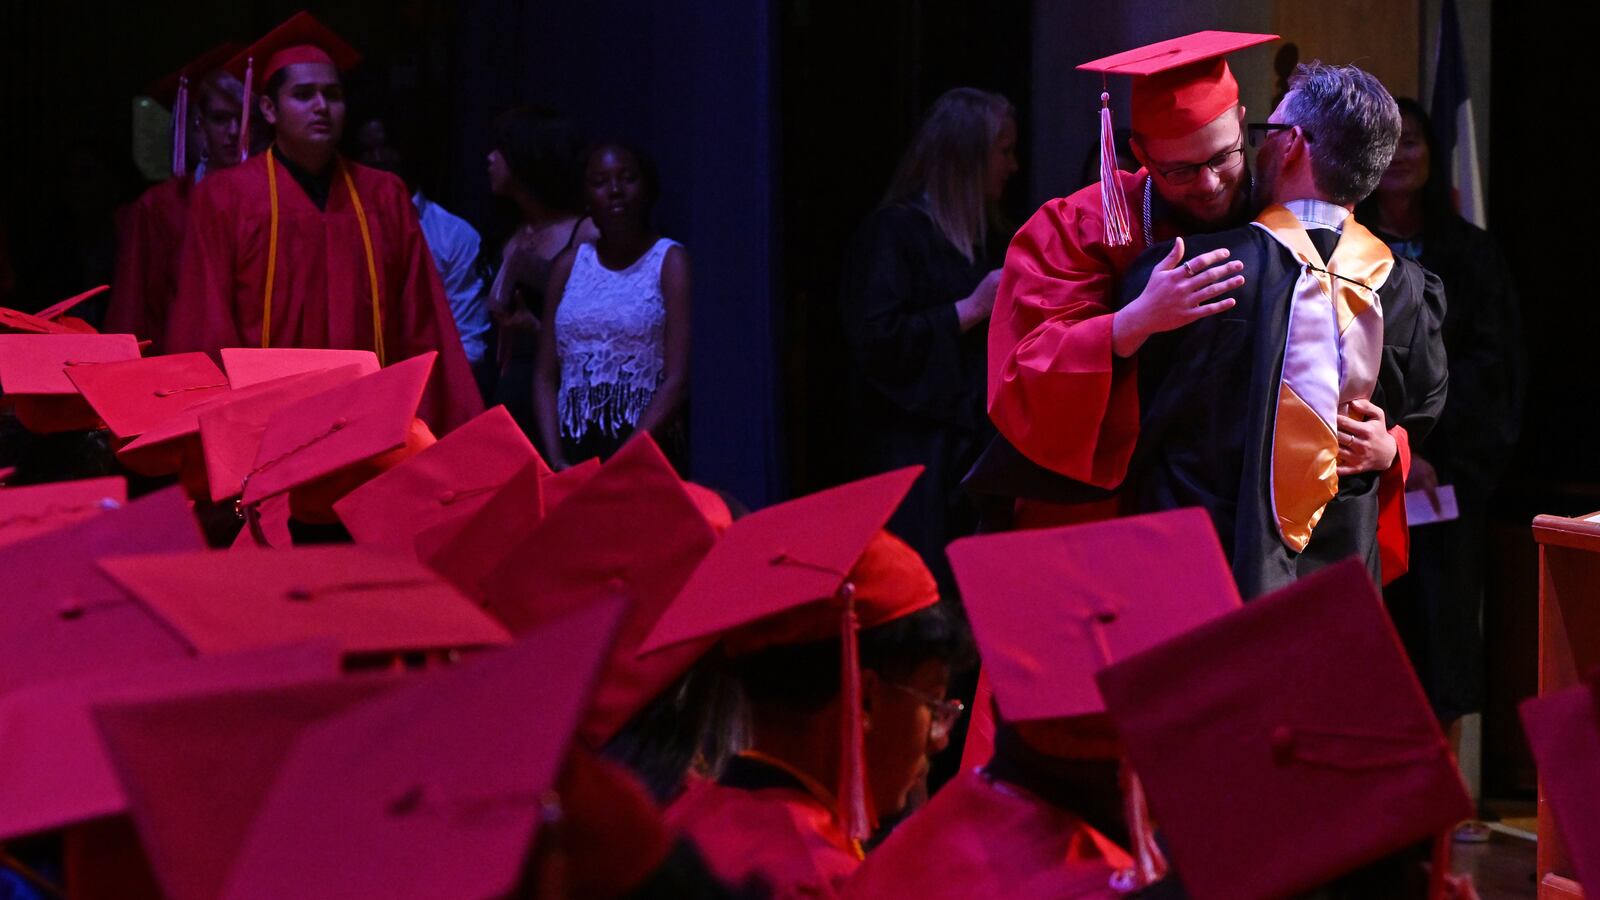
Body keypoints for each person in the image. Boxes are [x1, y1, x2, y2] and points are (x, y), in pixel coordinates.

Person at [1105, 62, 1446, 597]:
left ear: (1289, 144)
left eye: (1261, 135)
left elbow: (1122, 415)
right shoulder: (1407, 292)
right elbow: (1424, 407)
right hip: (1339, 591)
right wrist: (1390, 446)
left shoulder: (1187, 274)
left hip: (1193, 575)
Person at [976, 32, 1274, 529]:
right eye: (1179, 170)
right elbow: (1022, 375)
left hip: (1246, 495)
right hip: (1113, 504)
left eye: (1223, 156)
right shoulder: (1082, 225)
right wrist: (1132, 323)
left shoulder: (1280, 214)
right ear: (1140, 153)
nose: (1208, 183)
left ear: (1242, 123)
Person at [162, 12, 483, 435]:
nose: (321, 107)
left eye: (332, 94)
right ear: (269, 109)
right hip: (267, 426)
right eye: (304, 94)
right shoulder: (226, 199)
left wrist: (419, 424)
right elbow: (207, 322)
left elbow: (420, 324)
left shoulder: (384, 197)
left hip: (371, 426)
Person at [1357, 98, 1524, 730]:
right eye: (1391, 143)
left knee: (1444, 643)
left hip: (1449, 488)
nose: (1403, 155)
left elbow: (1491, 368)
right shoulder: (1346, 247)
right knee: (1374, 641)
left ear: (1432, 154)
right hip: (1366, 482)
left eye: (1416, 141)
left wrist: (1438, 455)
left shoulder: (1471, 252)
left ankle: (1440, 817)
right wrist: (1403, 451)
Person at [838, 87, 1018, 596]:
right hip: (916, 460)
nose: (1013, 165)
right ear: (967, 155)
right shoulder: (894, 233)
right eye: (1003, 151)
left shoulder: (992, 235)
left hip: (973, 455)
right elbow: (875, 342)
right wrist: (970, 309)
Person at [536, 140, 689, 468]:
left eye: (627, 178)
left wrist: (621, 462)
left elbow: (677, 378)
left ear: (647, 189)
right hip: (574, 448)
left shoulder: (669, 260)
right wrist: (554, 458)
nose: (615, 190)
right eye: (600, 182)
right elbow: (545, 376)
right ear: (586, 199)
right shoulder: (569, 264)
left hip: (645, 447)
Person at [109, 49, 244, 349]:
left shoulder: (270, 204)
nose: (235, 131)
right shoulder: (159, 207)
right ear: (199, 122)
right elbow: (132, 308)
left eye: (244, 117)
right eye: (221, 118)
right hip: (175, 368)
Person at [484, 106, 597, 440]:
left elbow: (600, 341)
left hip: (560, 402)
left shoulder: (585, 234)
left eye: (500, 150)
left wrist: (534, 329)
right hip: (512, 395)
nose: (489, 159)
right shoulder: (512, 234)